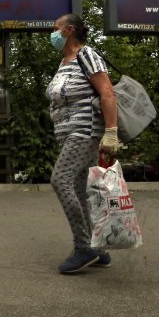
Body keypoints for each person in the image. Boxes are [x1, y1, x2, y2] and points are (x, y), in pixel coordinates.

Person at [45, 14, 120, 274]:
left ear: (69, 31)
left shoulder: (86, 55)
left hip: (85, 131)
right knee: (79, 189)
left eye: (56, 28)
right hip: (68, 134)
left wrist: (111, 132)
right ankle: (97, 248)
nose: (52, 33)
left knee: (60, 179)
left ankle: (83, 246)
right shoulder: (64, 61)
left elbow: (107, 92)